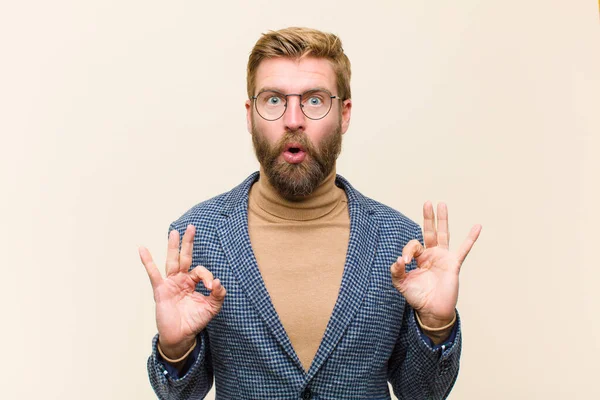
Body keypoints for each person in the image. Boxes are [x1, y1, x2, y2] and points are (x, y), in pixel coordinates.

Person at [139, 27, 482, 400]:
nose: (293, 120)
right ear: (251, 114)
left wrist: (436, 326)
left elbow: (423, 394)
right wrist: (175, 350)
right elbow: (180, 395)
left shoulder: (401, 242)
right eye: (273, 100)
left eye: (314, 101)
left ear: (344, 113)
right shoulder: (196, 236)